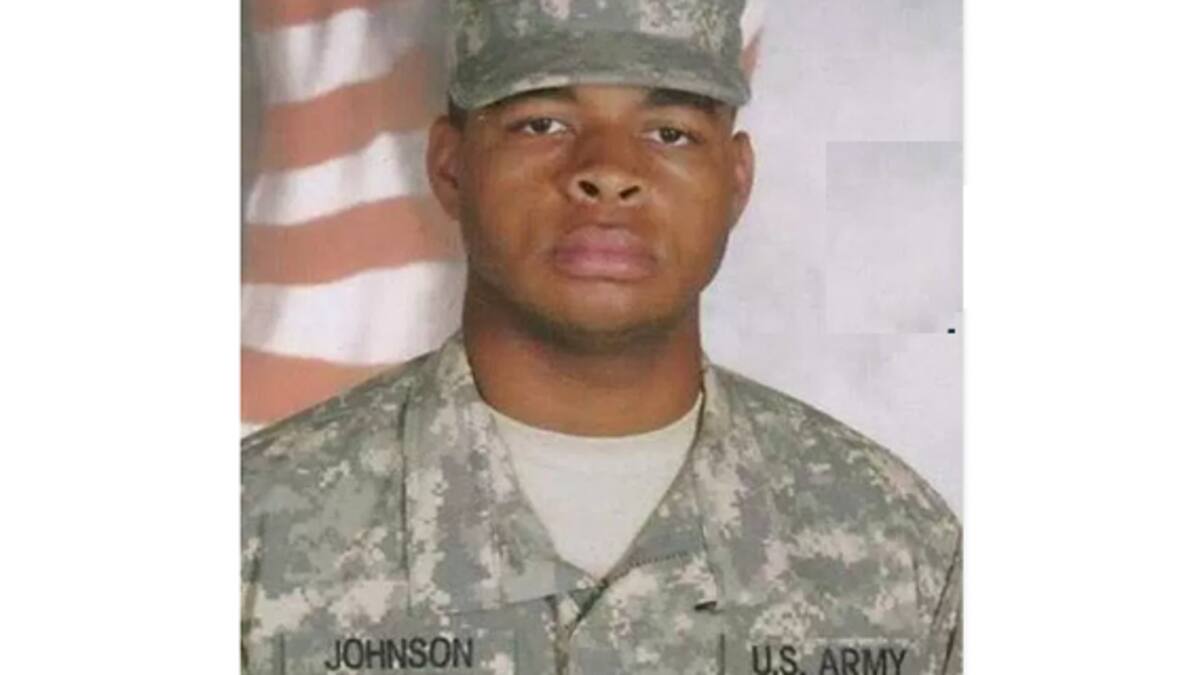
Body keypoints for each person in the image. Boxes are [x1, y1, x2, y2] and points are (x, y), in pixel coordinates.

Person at [241, 1, 962, 673]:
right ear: (450, 166)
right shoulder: (250, 533)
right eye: (542, 123)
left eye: (669, 132)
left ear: (737, 180)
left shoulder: (901, 550)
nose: (609, 172)